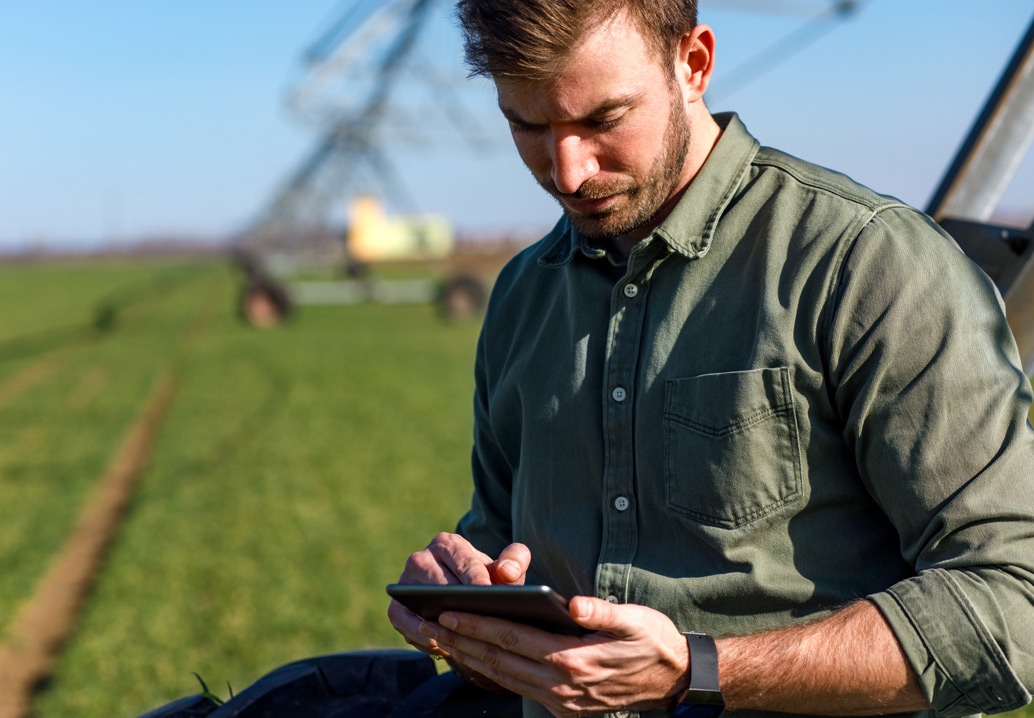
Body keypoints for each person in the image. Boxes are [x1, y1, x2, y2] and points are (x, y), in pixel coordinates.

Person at [387, 1, 1034, 717]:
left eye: (603, 120)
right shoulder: (522, 294)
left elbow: (1013, 605)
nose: (567, 171)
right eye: (528, 126)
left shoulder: (868, 267)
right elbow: (500, 532)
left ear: (693, 64)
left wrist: (698, 670)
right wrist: (465, 602)